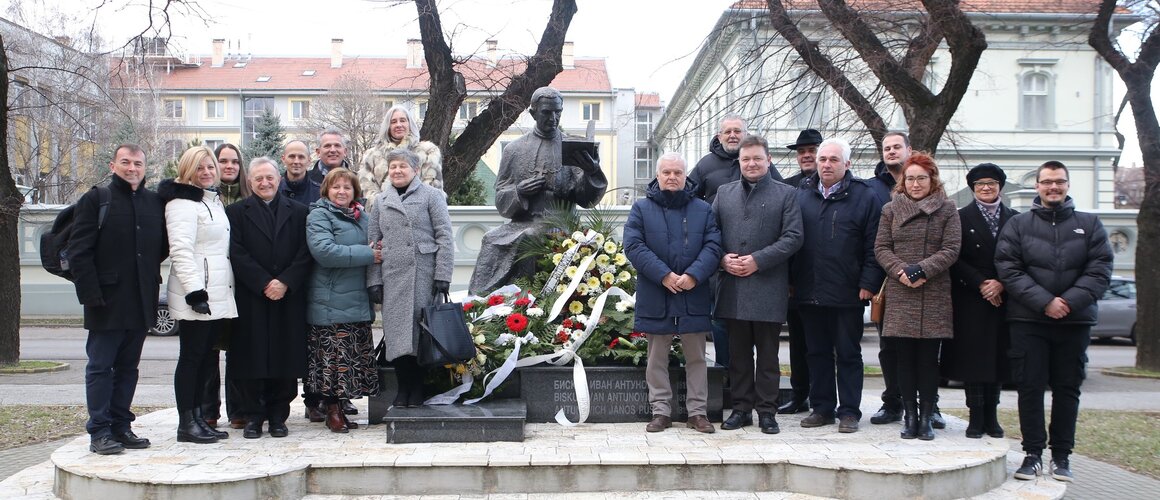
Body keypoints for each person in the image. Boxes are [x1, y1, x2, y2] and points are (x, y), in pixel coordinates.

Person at [996, 160, 1112, 483]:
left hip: (1074, 323)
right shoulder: (1018, 225)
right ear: (1037, 186)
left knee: (1067, 389)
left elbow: (1100, 270)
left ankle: (1061, 457)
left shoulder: (1090, 225)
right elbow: (1008, 268)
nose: (1053, 188)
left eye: (1059, 182)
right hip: (1028, 320)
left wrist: (1067, 303)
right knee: (1030, 388)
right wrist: (1045, 301)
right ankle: (1032, 454)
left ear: (1067, 185)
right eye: (1047, 182)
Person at [67, 144, 168, 455]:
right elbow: (78, 252)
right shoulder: (97, 199)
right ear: (113, 165)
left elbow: (160, 248)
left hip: (140, 299)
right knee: (100, 367)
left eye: (138, 163)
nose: (132, 168)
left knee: (128, 367)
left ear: (144, 167)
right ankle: (99, 431)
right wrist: (91, 294)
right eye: (126, 162)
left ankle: (121, 425)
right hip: (105, 301)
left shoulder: (153, 202)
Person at [468, 86, 607, 294]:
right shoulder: (514, 150)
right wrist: (519, 192)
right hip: (524, 221)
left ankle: (528, 302)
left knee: (530, 237)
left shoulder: (574, 146)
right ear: (533, 113)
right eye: (546, 112)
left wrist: (592, 172)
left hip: (562, 223)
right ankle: (482, 303)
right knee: (491, 238)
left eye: (557, 112)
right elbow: (501, 197)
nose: (553, 118)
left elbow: (587, 200)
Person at [623, 153, 722, 434]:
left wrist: (693, 275)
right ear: (657, 175)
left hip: (693, 293)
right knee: (656, 357)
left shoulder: (703, 209)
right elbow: (633, 246)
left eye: (678, 172)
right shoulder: (641, 209)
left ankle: (698, 413)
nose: (672, 177)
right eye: (666, 172)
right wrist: (663, 275)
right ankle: (660, 411)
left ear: (685, 176)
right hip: (657, 292)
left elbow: (714, 246)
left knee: (697, 358)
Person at [791, 138, 884, 433]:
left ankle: (849, 412)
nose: (827, 164)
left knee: (847, 353)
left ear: (847, 164)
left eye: (833, 159)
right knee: (816, 353)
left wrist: (869, 282)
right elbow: (792, 242)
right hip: (809, 290)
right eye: (822, 159)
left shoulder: (865, 196)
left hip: (847, 292)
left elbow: (874, 244)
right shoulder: (802, 195)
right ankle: (822, 408)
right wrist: (792, 282)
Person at [712, 135, 803, 434]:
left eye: (757, 158)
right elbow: (710, 234)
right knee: (737, 355)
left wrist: (758, 260)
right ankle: (740, 409)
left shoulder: (786, 194)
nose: (751, 164)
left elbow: (793, 237)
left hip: (768, 286)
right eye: (746, 159)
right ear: (739, 162)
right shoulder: (723, 194)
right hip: (733, 288)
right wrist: (723, 259)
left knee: (767, 356)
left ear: (769, 160)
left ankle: (767, 411)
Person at [873, 152, 961, 440]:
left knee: (928, 359)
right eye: (909, 178)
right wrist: (901, 271)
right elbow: (881, 247)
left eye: (920, 178)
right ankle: (909, 416)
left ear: (932, 179)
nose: (914, 184)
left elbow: (951, 248)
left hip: (932, 290)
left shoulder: (947, 209)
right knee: (904, 358)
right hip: (901, 291)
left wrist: (922, 270)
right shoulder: (890, 210)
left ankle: (926, 416)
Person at [226, 157, 314, 439]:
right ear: (250, 182)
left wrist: (285, 282)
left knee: (284, 357)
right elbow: (236, 252)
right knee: (250, 357)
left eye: (269, 177)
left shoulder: (299, 212)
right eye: (258, 178)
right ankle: (253, 416)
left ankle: (278, 415)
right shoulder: (236, 213)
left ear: (279, 179)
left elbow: (305, 252)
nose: (265, 183)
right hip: (252, 296)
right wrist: (264, 282)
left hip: (287, 297)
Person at [689, 115, 785, 368]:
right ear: (719, 136)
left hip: (761, 266)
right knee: (721, 325)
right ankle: (727, 381)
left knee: (760, 337)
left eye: (737, 131)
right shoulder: (705, 165)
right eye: (727, 131)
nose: (732, 135)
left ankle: (758, 392)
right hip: (722, 263)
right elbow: (689, 201)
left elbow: (782, 201)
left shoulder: (763, 166)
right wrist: (717, 254)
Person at [158, 147, 239, 444]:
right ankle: (186, 423)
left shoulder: (211, 201)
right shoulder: (181, 203)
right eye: (200, 168)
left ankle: (198, 419)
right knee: (191, 358)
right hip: (197, 293)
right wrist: (194, 292)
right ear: (187, 170)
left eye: (210, 167)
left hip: (216, 291)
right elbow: (181, 251)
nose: (206, 172)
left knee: (206, 358)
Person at [367, 149, 454, 407]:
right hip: (392, 276)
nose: (397, 171)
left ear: (415, 170)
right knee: (396, 336)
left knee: (419, 333)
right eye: (393, 166)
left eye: (402, 166)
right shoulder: (381, 201)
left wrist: (443, 275)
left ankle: (418, 389)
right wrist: (374, 281)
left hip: (423, 275)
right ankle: (402, 388)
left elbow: (444, 237)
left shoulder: (432, 196)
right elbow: (373, 243)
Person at [944, 163, 1017, 440]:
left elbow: (1020, 257)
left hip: (1003, 297)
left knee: (997, 360)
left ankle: (992, 415)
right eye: (980, 184)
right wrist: (981, 283)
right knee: (973, 360)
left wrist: (1001, 282)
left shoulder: (1014, 218)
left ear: (1000, 186)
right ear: (973, 188)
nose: (986, 188)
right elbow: (953, 256)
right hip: (971, 298)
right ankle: (975, 417)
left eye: (991, 183)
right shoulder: (960, 217)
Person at [305, 168, 381, 433]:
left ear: (355, 192)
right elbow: (325, 252)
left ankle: (343, 409)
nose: (341, 192)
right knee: (333, 362)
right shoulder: (319, 216)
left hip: (358, 301)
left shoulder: (364, 218)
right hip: (330, 302)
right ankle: (332, 411)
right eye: (336, 187)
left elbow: (378, 245)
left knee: (351, 362)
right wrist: (369, 255)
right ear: (326, 190)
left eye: (347, 188)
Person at [866, 131, 908, 427]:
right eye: (887, 148)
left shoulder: (927, 183)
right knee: (889, 346)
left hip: (926, 281)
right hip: (887, 281)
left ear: (909, 149)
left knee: (927, 348)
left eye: (897, 147)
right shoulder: (873, 189)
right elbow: (871, 238)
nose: (892, 152)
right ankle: (892, 402)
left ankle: (928, 405)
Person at [779, 128, 822, 415]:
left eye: (812, 150)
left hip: (827, 278)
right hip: (795, 278)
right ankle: (799, 394)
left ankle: (823, 398)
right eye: (802, 152)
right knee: (797, 342)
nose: (807, 155)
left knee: (823, 345)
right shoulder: (788, 187)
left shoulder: (836, 184)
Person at [207, 143, 248, 430]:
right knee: (209, 350)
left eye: (234, 161)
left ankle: (238, 410)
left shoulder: (249, 196)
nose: (229, 166)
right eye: (223, 161)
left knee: (238, 350)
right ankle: (209, 410)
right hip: (212, 282)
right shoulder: (206, 198)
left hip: (242, 282)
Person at [360, 105, 444, 207]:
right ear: (388, 126)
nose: (398, 125)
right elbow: (367, 188)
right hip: (383, 215)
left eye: (403, 120)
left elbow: (432, 188)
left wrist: (409, 208)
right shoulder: (371, 155)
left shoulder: (428, 152)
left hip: (419, 214)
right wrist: (386, 208)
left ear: (409, 124)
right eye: (393, 121)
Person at [279, 139, 319, 204]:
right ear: (283, 159)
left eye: (301, 157)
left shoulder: (320, 193)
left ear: (309, 161)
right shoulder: (274, 190)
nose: (296, 161)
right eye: (292, 156)